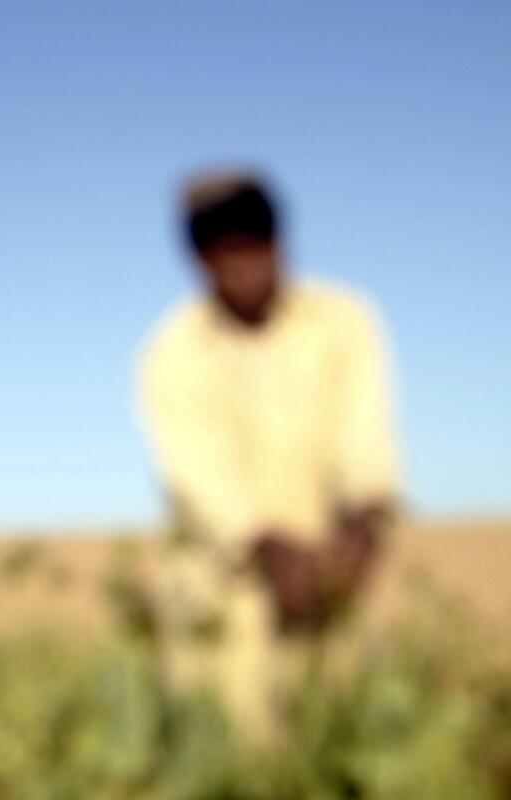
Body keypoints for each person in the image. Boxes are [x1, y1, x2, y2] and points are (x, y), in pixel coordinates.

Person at [137, 172, 400, 742]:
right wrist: (272, 552)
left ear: (280, 242)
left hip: (338, 580)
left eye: (255, 247)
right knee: (233, 750)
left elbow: (368, 444)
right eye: (224, 253)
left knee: (347, 742)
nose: (244, 268)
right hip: (223, 594)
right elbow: (200, 478)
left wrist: (359, 540)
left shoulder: (345, 322)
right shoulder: (172, 352)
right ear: (199, 260)